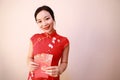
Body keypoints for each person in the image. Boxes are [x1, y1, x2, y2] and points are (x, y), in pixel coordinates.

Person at [27, 5, 70, 80]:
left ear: (53, 18)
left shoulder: (64, 41)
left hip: (52, 78)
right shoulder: (34, 38)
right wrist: (29, 63)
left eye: (47, 19)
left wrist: (60, 69)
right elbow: (29, 57)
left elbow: (64, 62)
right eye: (39, 21)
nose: (44, 24)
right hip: (33, 77)